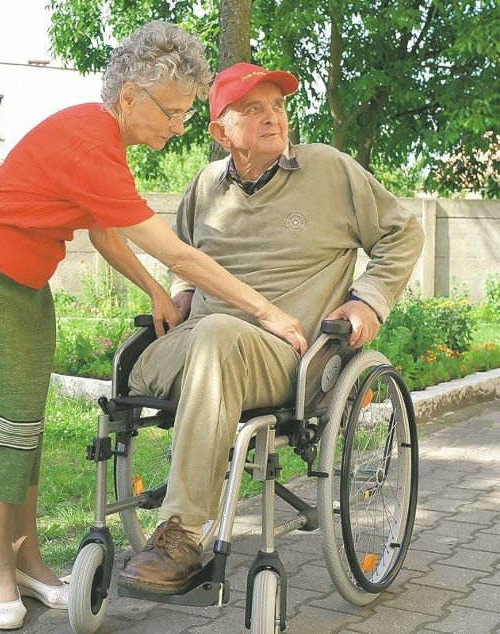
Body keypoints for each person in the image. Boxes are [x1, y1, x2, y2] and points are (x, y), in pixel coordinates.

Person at [0, 26, 304, 630]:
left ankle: (27, 562)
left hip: (22, 284)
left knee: (26, 421)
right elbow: (180, 253)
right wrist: (265, 310)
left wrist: (155, 291)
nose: (179, 127)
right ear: (130, 96)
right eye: (173, 112)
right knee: (9, 426)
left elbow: (105, 231)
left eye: (186, 114)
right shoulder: (89, 142)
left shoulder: (102, 139)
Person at [118, 62, 425, 595]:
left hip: (287, 355)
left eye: (278, 106)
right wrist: (181, 290)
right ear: (219, 131)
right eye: (253, 108)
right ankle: (123, 532)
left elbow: (403, 232)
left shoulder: (329, 170)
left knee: (218, 336)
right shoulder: (206, 187)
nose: (272, 118)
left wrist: (369, 302)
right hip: (197, 346)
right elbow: (182, 252)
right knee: (156, 351)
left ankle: (183, 531)